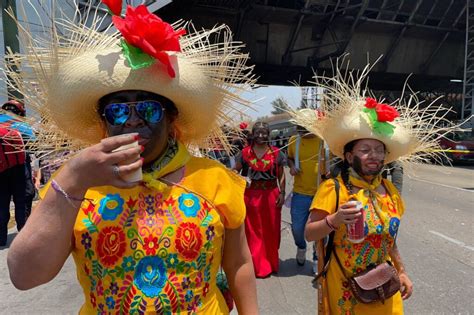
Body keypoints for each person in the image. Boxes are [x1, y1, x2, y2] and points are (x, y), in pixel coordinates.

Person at [6, 2, 258, 314]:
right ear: (103, 121)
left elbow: (238, 263)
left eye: (149, 109)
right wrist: (74, 177)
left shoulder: (215, 180)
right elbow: (24, 276)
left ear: (171, 118)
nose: (133, 120)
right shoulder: (74, 186)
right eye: (118, 109)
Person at [290, 63, 454, 314]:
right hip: (345, 287)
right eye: (365, 150)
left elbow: (390, 240)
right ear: (348, 156)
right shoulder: (333, 189)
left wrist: (402, 272)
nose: (374, 156)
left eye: (379, 150)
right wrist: (335, 219)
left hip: (384, 285)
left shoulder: (389, 189)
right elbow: (310, 233)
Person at [234, 121, 286, 278]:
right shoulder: (244, 153)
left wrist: (282, 193)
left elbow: (282, 174)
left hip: (271, 195)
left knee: (271, 230)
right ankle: (257, 266)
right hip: (250, 196)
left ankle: (271, 262)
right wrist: (237, 177)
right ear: (253, 134)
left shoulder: (277, 153)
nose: (261, 135)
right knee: (253, 231)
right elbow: (234, 172)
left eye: (264, 132)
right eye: (258, 132)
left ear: (268, 134)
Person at [287, 122, 322, 270]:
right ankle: (301, 247)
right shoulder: (294, 141)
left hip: (321, 194)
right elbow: (289, 158)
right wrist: (292, 166)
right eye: (299, 129)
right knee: (297, 228)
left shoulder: (323, 141)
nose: (302, 132)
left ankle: (316, 257)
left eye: (304, 129)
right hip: (300, 193)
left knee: (319, 229)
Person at [0, 100, 29, 246]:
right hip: (18, 169)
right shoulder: (19, 124)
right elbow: (32, 141)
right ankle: (22, 234)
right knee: (20, 202)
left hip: (0, 170)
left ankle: (1, 238)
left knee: (2, 204)